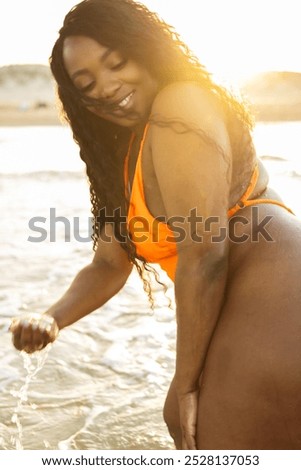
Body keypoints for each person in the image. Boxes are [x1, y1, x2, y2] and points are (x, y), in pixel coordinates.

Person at [9, 0, 301, 450]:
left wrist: (184, 384)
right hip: (253, 311)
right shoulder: (123, 160)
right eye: (87, 83)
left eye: (117, 63)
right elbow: (109, 264)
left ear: (147, 51)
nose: (106, 87)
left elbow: (204, 255)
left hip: (277, 301)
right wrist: (50, 317)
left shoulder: (181, 102)